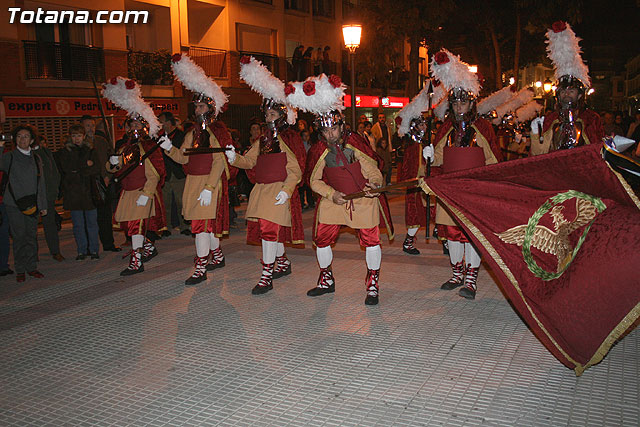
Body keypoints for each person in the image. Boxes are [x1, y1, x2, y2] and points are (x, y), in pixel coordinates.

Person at [286, 74, 394, 305]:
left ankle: (372, 284)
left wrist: (375, 185)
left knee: (371, 240)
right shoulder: (319, 149)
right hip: (333, 199)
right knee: (321, 239)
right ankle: (326, 280)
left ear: (340, 126)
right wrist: (330, 194)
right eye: (325, 131)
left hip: (363, 197)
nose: (330, 135)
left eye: (333, 129)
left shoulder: (355, 142)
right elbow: (313, 181)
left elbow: (373, 168)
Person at [425, 49, 501, 300]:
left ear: (472, 103)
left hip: (474, 191)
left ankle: (471, 279)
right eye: (455, 103)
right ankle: (457, 273)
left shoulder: (483, 128)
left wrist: (486, 185)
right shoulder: (446, 128)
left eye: (463, 102)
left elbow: (493, 161)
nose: (459, 107)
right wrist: (428, 155)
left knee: (471, 235)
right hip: (450, 192)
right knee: (452, 234)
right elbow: (437, 158)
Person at [226, 55, 306, 295]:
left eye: (272, 115)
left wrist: (286, 189)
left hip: (278, 191)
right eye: (267, 115)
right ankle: (282, 262)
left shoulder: (288, 139)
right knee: (269, 232)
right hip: (261, 192)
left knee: (270, 232)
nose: (268, 119)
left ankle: (266, 274)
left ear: (281, 116)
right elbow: (249, 161)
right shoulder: (262, 141)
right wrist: (233, 157)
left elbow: (296, 169)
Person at [161, 53, 233, 285]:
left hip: (209, 184)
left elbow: (220, 161)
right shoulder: (192, 132)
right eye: (197, 106)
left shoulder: (217, 130)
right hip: (193, 183)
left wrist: (210, 187)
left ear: (210, 108)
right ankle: (218, 255)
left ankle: (200, 267)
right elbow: (183, 158)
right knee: (204, 226)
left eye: (202, 105)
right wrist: (167, 148)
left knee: (200, 227)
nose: (198, 109)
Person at [103, 77, 166, 276]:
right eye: (132, 124)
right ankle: (148, 248)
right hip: (127, 191)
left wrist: (147, 193)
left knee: (136, 228)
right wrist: (112, 164)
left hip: (142, 191)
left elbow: (155, 173)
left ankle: (136, 262)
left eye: (139, 123)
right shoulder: (124, 146)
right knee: (129, 228)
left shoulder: (149, 146)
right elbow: (116, 169)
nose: (135, 127)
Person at [530, 22, 604, 155]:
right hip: (555, 170)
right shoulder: (551, 119)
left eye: (571, 91)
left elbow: (598, 150)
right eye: (563, 91)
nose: (567, 94)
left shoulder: (591, 119)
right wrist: (536, 134)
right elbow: (538, 154)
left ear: (580, 94)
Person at [0, 125, 48, 282]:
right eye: (19, 136)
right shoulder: (10, 157)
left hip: (32, 204)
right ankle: (20, 269)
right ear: (14, 139)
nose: (22, 139)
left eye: (26, 136)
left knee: (31, 237)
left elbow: (40, 182)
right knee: (19, 237)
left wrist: (43, 205)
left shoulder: (36, 158)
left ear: (32, 140)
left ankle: (31, 267)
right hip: (14, 204)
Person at [394, 86, 434, 255]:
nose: (425, 126)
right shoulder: (412, 146)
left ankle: (445, 240)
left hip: (427, 186)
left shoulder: (423, 143)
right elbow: (411, 170)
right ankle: (408, 243)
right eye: (422, 124)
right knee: (415, 215)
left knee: (436, 212)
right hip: (416, 187)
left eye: (425, 123)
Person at [55, 124, 101, 260]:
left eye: (79, 136)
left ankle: (94, 250)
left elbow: (96, 168)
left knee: (92, 223)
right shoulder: (65, 152)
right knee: (78, 225)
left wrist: (82, 168)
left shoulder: (91, 150)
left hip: (88, 192)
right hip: (73, 192)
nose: (76, 139)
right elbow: (67, 169)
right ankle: (81, 250)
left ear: (84, 136)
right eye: (74, 136)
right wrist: (85, 165)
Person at [81, 115, 121, 252]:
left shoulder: (102, 141)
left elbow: (110, 160)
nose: (90, 129)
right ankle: (89, 247)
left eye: (92, 125)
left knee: (105, 216)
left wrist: (108, 175)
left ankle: (108, 244)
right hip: (88, 185)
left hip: (104, 182)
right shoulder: (80, 143)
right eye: (87, 126)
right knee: (90, 218)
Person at [158, 111, 190, 236]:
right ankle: (166, 227)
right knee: (165, 202)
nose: (159, 124)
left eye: (161, 121)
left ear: (168, 122)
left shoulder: (182, 135)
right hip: (165, 173)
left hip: (178, 173)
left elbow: (182, 155)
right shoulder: (158, 137)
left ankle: (184, 226)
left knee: (180, 201)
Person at [33, 136, 63, 261]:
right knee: (31, 226)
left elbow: (54, 173)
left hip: (47, 194)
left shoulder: (46, 152)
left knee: (50, 223)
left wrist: (55, 190)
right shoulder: (27, 154)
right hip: (32, 195)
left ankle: (55, 251)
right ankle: (33, 254)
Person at [298, 130, 315, 209]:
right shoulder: (299, 145)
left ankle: (310, 202)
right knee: (301, 187)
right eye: (304, 136)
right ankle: (301, 203)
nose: (306, 137)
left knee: (309, 187)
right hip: (301, 168)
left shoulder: (311, 144)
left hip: (308, 168)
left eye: (307, 135)